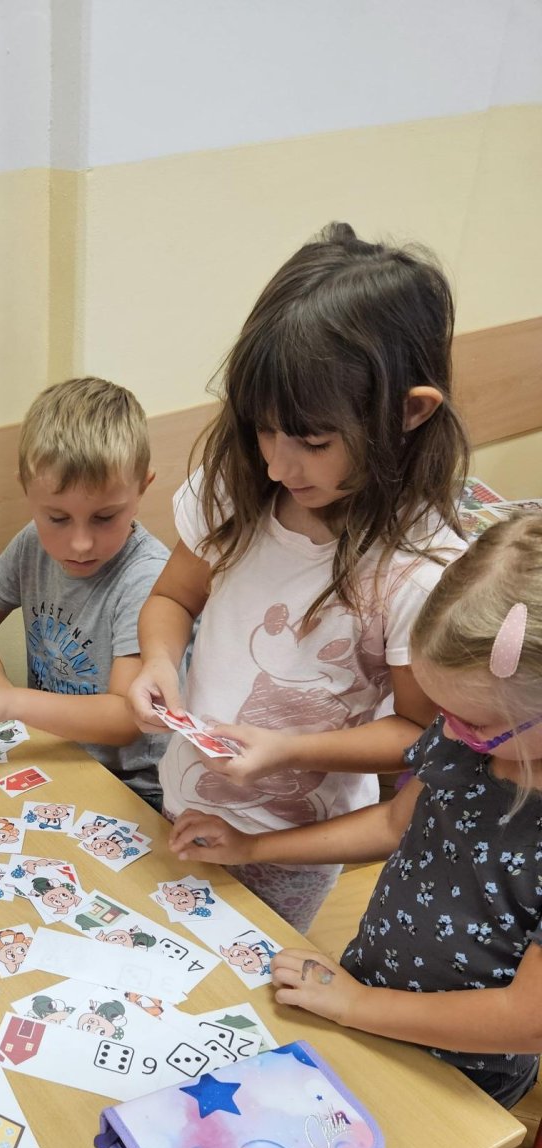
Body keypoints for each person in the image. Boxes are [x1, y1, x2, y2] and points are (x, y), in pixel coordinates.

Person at [169, 515, 542, 1148]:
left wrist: (357, 1005)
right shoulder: (468, 740)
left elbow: (527, 1017)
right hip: (371, 987)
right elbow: (392, 825)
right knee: (344, 1121)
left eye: (476, 724)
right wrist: (251, 846)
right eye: (445, 718)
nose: (452, 736)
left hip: (468, 1058)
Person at [129, 222, 470, 932]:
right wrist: (158, 661)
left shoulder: (418, 570)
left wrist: (290, 750)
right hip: (182, 800)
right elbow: (173, 597)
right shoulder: (237, 487)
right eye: (264, 429)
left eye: (313, 441)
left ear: (409, 412)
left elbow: (416, 731)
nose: (278, 465)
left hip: (292, 847)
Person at [0, 377, 169, 811]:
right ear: (26, 489)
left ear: (142, 489)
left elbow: (125, 717)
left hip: (130, 786)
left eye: (105, 517)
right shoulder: (31, 544)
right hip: (52, 751)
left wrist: (12, 702)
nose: (80, 544)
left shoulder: (146, 578)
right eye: (57, 518)